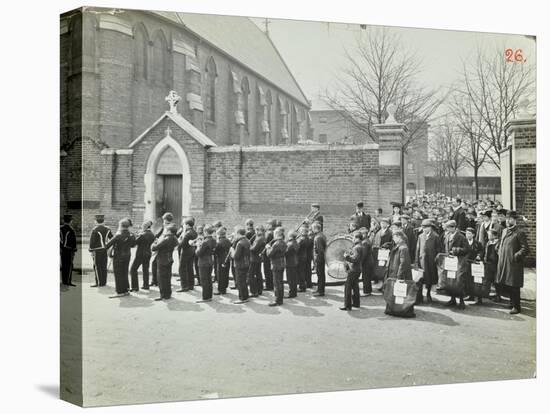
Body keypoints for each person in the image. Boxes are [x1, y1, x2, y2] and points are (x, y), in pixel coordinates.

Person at [496, 211, 529, 314]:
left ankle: (516, 307)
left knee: (514, 285)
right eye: (507, 218)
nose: (508, 220)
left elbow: (525, 249)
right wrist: (499, 249)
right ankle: (511, 302)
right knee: (508, 283)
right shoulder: (505, 230)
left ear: (515, 220)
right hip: (505, 262)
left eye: (510, 219)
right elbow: (502, 242)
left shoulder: (519, 232)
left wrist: (516, 256)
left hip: (514, 263)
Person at [442, 220, 470, 310]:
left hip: (459, 262)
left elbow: (467, 249)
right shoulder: (447, 236)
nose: (448, 229)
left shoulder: (461, 237)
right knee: (450, 281)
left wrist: (456, 250)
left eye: (449, 227)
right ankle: (452, 299)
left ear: (454, 227)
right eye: (447, 227)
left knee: (459, 282)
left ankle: (461, 301)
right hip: (450, 262)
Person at [104, 218, 136, 297]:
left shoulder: (118, 235)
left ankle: (119, 292)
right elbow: (133, 245)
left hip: (118, 257)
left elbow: (107, 246)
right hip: (127, 256)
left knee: (118, 274)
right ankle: (125, 290)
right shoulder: (131, 235)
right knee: (125, 272)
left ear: (120, 225)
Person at [414, 219, 441, 304]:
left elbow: (439, 250)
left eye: (426, 227)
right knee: (421, 278)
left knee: (430, 278)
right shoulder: (421, 236)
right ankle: (420, 296)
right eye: (423, 227)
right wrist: (416, 261)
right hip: (422, 260)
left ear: (430, 228)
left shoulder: (435, 236)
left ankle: (428, 293)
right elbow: (418, 249)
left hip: (431, 261)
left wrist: (436, 260)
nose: (424, 229)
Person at [151, 223, 179, 301]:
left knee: (161, 278)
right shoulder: (174, 238)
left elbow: (154, 248)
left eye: (166, 230)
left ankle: (163, 295)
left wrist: (155, 243)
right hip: (169, 259)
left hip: (162, 260)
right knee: (167, 277)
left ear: (169, 231)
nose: (165, 231)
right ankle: (168, 294)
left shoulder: (166, 238)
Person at [340, 231, 364, 311]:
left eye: (353, 237)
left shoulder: (357, 247)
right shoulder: (360, 246)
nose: (352, 239)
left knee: (347, 287)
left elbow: (354, 259)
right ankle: (356, 303)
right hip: (358, 269)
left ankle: (347, 305)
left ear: (357, 238)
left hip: (354, 270)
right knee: (355, 286)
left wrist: (346, 256)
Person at [130, 220, 155, 291]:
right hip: (148, 253)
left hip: (140, 254)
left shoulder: (142, 235)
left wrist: (133, 236)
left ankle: (135, 287)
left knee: (133, 269)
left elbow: (133, 244)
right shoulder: (152, 234)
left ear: (145, 226)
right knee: (145, 269)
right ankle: (146, 285)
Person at [151, 212, 175, 287]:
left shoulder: (171, 227)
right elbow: (158, 234)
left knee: (165, 265)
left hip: (165, 248)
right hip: (161, 246)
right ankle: (155, 281)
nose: (164, 222)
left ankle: (161, 282)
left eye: (164, 221)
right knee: (155, 263)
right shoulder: (164, 226)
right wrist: (155, 238)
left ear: (168, 220)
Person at [89, 214, 113, 287]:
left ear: (96, 221)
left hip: (97, 251)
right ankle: (103, 282)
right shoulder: (108, 229)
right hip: (104, 250)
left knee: (97, 266)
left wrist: (91, 250)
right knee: (103, 265)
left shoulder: (95, 230)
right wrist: (107, 246)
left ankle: (98, 283)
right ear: (103, 220)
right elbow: (112, 238)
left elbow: (92, 242)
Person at [195, 225, 217, 302]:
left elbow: (199, 253)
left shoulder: (205, 241)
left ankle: (205, 297)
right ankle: (209, 296)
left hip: (203, 262)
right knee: (209, 279)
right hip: (210, 261)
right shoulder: (214, 240)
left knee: (204, 280)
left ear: (206, 232)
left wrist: (198, 246)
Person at [266, 227, 287, 306]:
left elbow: (270, 254)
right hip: (282, 263)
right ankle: (280, 298)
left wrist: (268, 248)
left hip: (276, 264)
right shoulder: (283, 242)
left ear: (277, 234)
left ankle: (277, 300)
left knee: (277, 283)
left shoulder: (276, 244)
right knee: (280, 282)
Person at [177, 218, 198, 292]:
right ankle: (191, 285)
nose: (183, 225)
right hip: (192, 250)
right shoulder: (194, 232)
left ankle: (184, 286)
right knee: (190, 268)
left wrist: (179, 240)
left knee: (182, 268)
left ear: (188, 225)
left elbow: (181, 244)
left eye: (185, 224)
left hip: (185, 251)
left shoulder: (187, 233)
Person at [232, 226, 251, 304]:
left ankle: (242, 298)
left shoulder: (240, 243)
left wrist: (232, 250)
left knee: (240, 282)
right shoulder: (247, 240)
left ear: (238, 233)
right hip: (246, 263)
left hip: (240, 264)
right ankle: (245, 296)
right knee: (243, 281)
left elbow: (236, 256)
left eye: (236, 233)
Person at [464, 226, 483, 301]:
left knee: (474, 280)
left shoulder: (477, 243)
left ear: (473, 235)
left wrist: (479, 255)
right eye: (466, 233)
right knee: (466, 280)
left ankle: (475, 295)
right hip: (465, 263)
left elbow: (481, 251)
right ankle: (468, 294)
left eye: (469, 233)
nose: (467, 235)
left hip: (474, 264)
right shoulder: (463, 242)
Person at [248, 225, 266, 297]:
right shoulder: (262, 237)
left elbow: (253, 249)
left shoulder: (259, 239)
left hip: (254, 258)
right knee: (258, 273)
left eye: (256, 230)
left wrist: (249, 245)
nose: (255, 232)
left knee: (251, 275)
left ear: (259, 231)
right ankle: (259, 289)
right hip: (258, 258)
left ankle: (254, 291)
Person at [60, 214, 77, 287]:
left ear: (63, 220)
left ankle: (64, 281)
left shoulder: (60, 228)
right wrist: (74, 249)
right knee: (69, 265)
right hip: (69, 250)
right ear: (71, 221)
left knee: (63, 265)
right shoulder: (71, 230)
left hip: (62, 249)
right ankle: (68, 281)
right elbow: (73, 242)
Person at [214, 227, 231, 295]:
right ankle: (224, 288)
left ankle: (221, 290)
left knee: (220, 275)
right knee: (226, 274)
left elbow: (215, 251)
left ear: (219, 234)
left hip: (221, 260)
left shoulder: (219, 242)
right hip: (227, 259)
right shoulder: (228, 240)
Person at [312, 221, 327, 297]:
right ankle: (319, 289)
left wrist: (317, 260)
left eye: (312, 228)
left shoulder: (318, 237)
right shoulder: (321, 235)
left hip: (319, 259)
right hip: (321, 258)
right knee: (320, 275)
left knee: (320, 275)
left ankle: (321, 291)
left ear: (315, 228)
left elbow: (320, 250)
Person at [359, 227, 374, 296]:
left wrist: (360, 262)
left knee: (366, 277)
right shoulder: (367, 241)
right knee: (367, 277)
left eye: (361, 234)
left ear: (364, 234)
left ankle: (366, 291)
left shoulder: (365, 242)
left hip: (367, 262)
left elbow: (363, 254)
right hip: (369, 261)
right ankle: (369, 290)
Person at [285, 231, 299, 298]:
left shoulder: (290, 244)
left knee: (290, 279)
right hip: (294, 261)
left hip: (290, 263)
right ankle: (294, 292)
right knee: (294, 278)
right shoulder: (295, 242)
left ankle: (291, 293)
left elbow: (285, 252)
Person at [263, 219, 276, 291]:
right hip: (272, 253)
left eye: (267, 224)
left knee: (267, 270)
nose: (266, 225)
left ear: (271, 225)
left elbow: (265, 242)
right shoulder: (275, 232)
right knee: (270, 270)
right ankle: (271, 284)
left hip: (267, 253)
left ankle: (269, 285)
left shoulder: (269, 233)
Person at [296, 226, 310, 292]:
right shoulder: (307, 238)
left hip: (300, 257)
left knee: (300, 272)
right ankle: (303, 285)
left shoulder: (301, 239)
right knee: (302, 271)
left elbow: (297, 248)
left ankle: (302, 286)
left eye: (300, 231)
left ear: (302, 232)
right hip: (304, 256)